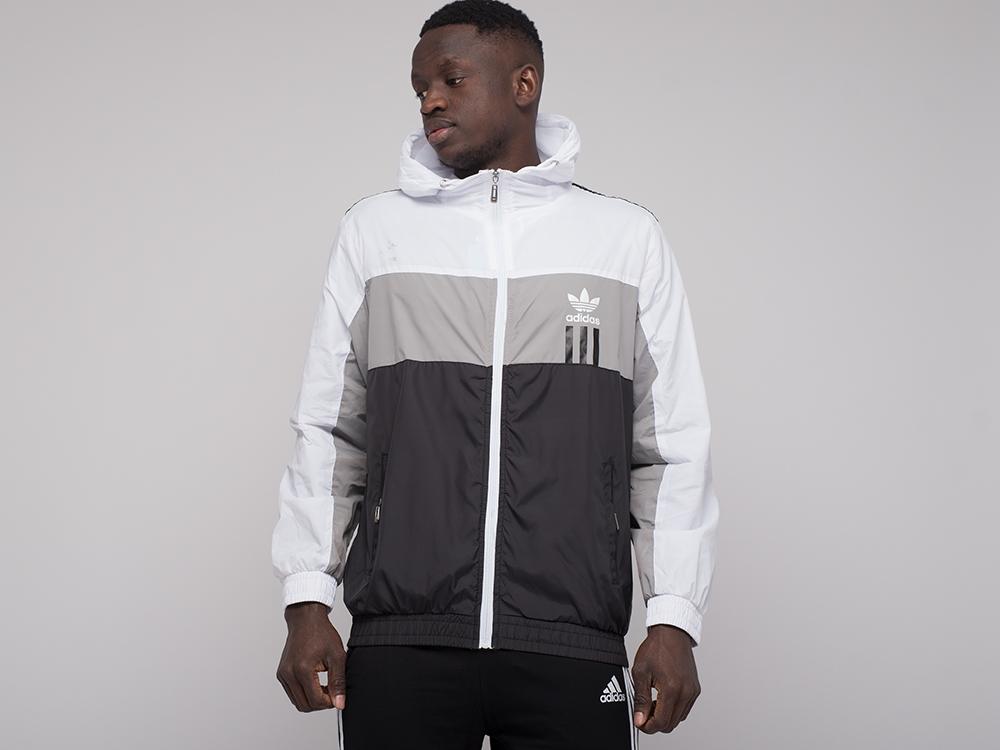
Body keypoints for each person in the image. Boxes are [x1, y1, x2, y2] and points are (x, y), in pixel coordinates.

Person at [271, 1, 720, 747]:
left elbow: (669, 445)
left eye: (451, 79)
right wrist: (307, 599)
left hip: (569, 639)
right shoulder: (374, 235)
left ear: (524, 84)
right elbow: (330, 431)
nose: (430, 101)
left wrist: (673, 617)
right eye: (420, 88)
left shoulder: (624, 241)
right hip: (402, 639)